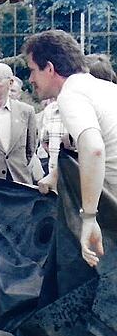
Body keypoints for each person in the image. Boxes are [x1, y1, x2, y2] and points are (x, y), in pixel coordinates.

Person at [24, 30, 117, 267]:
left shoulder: (71, 95)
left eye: (33, 70)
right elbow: (79, 147)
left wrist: (88, 218)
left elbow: (93, 148)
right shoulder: (104, 89)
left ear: (50, 68)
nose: (30, 79)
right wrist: (55, 176)